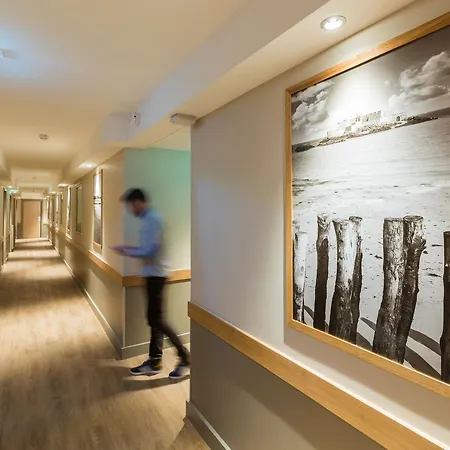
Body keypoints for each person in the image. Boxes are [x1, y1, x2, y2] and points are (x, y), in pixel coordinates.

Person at [112, 188, 190, 380]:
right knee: (155, 320)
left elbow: (149, 250)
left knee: (157, 320)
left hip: (156, 276)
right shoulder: (149, 219)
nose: (130, 210)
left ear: (138, 202)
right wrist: (130, 249)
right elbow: (148, 248)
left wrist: (126, 250)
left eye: (131, 205)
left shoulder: (152, 220)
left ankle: (185, 358)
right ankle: (155, 361)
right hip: (153, 275)